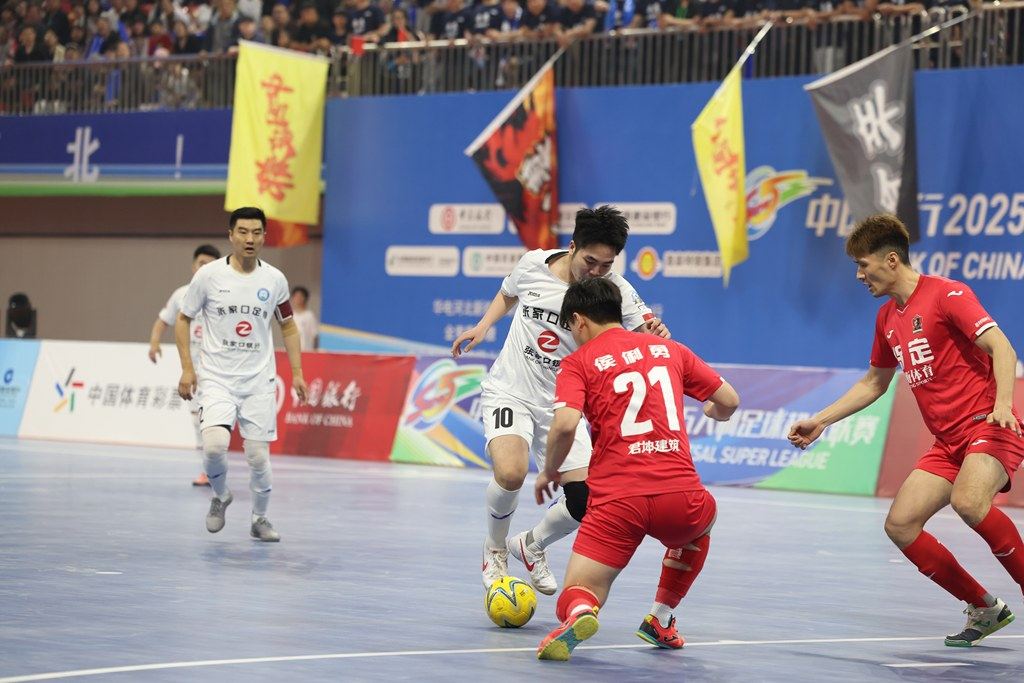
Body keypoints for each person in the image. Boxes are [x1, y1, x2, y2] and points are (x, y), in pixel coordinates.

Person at [788, 214, 1024, 647]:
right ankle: (985, 607)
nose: (859, 276)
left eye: (863, 265)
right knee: (901, 525)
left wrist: (1003, 405)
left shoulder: (948, 294)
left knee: (969, 501)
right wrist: (820, 420)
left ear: (891, 260)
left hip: (988, 425)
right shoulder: (886, 318)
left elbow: (1002, 347)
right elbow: (874, 383)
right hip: (948, 443)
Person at [452, 205, 669, 596]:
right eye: (590, 261)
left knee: (586, 499)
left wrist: (657, 334)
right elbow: (508, 293)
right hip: (511, 390)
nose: (597, 272)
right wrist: (483, 326)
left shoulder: (614, 290)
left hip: (564, 403)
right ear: (572, 247)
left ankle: (531, 544)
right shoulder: (533, 265)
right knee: (511, 473)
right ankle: (496, 549)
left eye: (606, 265)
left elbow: (645, 332)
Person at [534, 277, 739, 660]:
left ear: (579, 320)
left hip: (617, 502)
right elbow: (729, 400)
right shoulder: (669, 349)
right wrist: (715, 412)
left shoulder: (578, 363)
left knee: (578, 591)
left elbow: (564, 425)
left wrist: (549, 471)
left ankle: (580, 613)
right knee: (703, 521)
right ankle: (661, 617)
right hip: (680, 498)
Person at [176, 207, 308, 542]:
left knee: (258, 456)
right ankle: (221, 496)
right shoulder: (208, 276)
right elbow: (183, 319)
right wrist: (188, 368)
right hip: (217, 378)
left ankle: (259, 518)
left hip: (258, 381)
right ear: (231, 235)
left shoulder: (275, 280)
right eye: (243, 232)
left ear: (264, 236)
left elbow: (288, 326)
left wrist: (297, 372)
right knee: (213, 448)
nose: (250, 239)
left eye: (257, 232)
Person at [149, 244, 221, 486]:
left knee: (219, 422)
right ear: (193, 266)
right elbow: (163, 321)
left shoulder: (225, 295)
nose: (204, 268)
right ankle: (209, 471)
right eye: (201, 263)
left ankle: (218, 466)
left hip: (221, 369)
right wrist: (154, 343)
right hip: (193, 370)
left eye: (210, 264)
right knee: (198, 422)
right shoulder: (181, 294)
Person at [289, 285, 318, 351]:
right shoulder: (290, 316)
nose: (298, 299)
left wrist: (314, 352)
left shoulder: (309, 315)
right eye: (296, 296)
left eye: (300, 296)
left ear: (305, 298)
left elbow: (315, 335)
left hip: (307, 351)